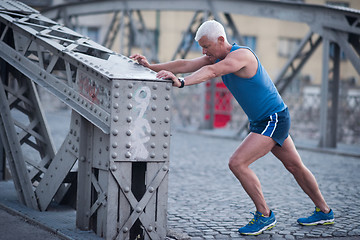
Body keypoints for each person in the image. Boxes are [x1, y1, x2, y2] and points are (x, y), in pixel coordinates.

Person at [130, 20, 334, 236]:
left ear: (220, 40)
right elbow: (184, 64)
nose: (204, 51)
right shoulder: (216, 55)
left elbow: (211, 71)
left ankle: (264, 215)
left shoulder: (241, 56)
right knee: (295, 166)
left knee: (237, 163)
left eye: (206, 46)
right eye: (202, 47)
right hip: (265, 119)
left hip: (273, 119)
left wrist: (181, 83)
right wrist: (151, 67)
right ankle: (325, 212)